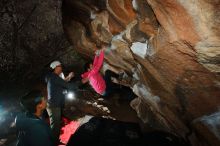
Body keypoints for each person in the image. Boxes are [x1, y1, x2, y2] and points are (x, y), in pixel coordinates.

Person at [45, 60, 78, 145]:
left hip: (53, 104)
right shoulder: (54, 77)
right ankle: (53, 143)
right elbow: (68, 85)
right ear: (56, 67)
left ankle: (54, 141)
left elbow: (62, 83)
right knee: (55, 126)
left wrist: (69, 77)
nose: (61, 68)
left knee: (56, 125)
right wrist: (82, 81)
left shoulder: (53, 77)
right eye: (60, 66)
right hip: (54, 105)